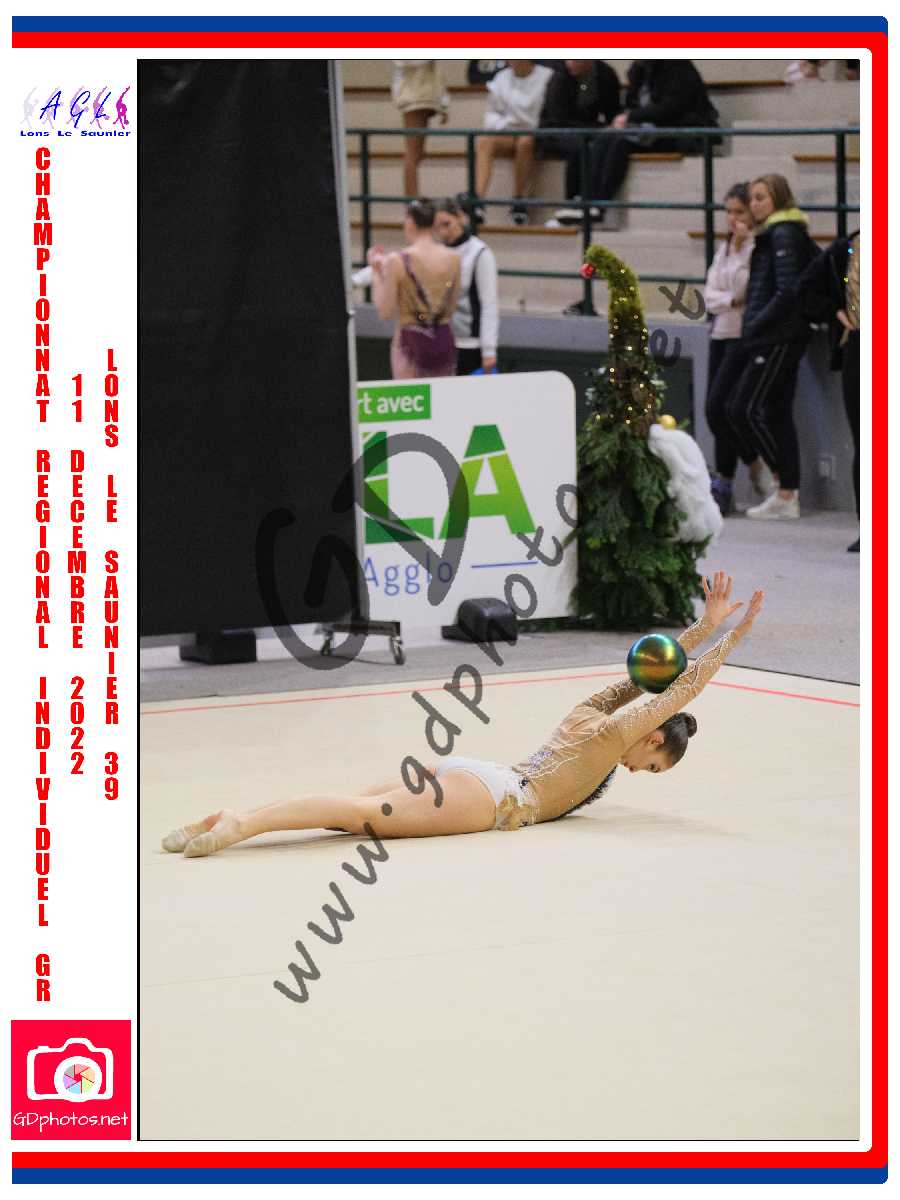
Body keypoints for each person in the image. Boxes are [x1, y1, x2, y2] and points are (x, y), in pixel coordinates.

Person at [161, 574, 764, 853]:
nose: (638, 773)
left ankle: (229, 817)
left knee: (348, 811)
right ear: (652, 738)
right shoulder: (613, 735)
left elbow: (646, 675)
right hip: (495, 799)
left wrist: (702, 627)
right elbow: (674, 690)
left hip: (478, 774)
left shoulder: (594, 712)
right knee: (357, 815)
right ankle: (240, 825)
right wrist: (728, 638)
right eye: (652, 766)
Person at [711, 174, 820, 520]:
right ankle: (786, 491)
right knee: (773, 410)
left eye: (761, 198)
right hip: (771, 332)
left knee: (744, 407)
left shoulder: (784, 234)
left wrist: (757, 321)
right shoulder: (773, 234)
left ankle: (781, 483)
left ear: (778, 199)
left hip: (778, 335)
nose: (755, 204)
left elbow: (787, 289)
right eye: (753, 198)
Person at [564, 59, 719, 226]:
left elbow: (672, 107)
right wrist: (627, 119)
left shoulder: (677, 66)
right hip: (647, 129)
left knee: (619, 143)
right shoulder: (638, 70)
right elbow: (631, 104)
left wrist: (631, 117)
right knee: (604, 138)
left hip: (679, 130)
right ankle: (585, 199)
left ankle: (598, 204)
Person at [702, 182, 776, 516]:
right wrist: (729, 300)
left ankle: (752, 467)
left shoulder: (756, 247)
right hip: (720, 332)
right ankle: (731, 479)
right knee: (714, 411)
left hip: (742, 335)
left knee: (723, 407)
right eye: (728, 212)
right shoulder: (725, 247)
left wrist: (730, 297)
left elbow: (746, 289)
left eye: (739, 212)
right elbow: (710, 295)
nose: (733, 219)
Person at [797, 231, 861, 551]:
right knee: (866, 440)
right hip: (859, 347)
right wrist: (836, 311)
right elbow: (806, 288)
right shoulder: (847, 249)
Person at [368, 199, 461, 379]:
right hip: (443, 338)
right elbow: (451, 306)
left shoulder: (397, 261)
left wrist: (376, 273)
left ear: (410, 222)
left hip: (410, 343)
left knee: (412, 396)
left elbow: (385, 312)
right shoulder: (454, 258)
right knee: (442, 396)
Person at [537, 60, 623, 223]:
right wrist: (597, 129)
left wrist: (612, 125)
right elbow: (559, 119)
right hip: (554, 130)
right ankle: (572, 201)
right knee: (579, 146)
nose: (569, 63)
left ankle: (593, 200)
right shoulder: (560, 76)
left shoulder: (605, 74)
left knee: (604, 143)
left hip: (587, 130)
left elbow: (612, 111)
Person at [471, 60, 553, 225]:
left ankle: (519, 202)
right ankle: (477, 202)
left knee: (525, 142)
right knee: (484, 141)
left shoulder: (547, 77)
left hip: (536, 134)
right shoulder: (501, 78)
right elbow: (491, 114)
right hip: (508, 131)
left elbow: (549, 114)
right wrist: (508, 124)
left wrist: (523, 125)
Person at [433, 197, 500, 375]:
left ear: (460, 217)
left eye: (447, 224)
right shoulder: (435, 251)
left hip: (471, 345)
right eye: (437, 227)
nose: (443, 232)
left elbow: (489, 304)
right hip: (440, 341)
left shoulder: (480, 252)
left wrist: (489, 350)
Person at [391, 60, 449, 199]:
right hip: (414, 98)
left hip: (426, 96)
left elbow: (437, 72)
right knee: (412, 153)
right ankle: (412, 200)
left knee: (418, 153)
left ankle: (413, 198)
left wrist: (443, 103)